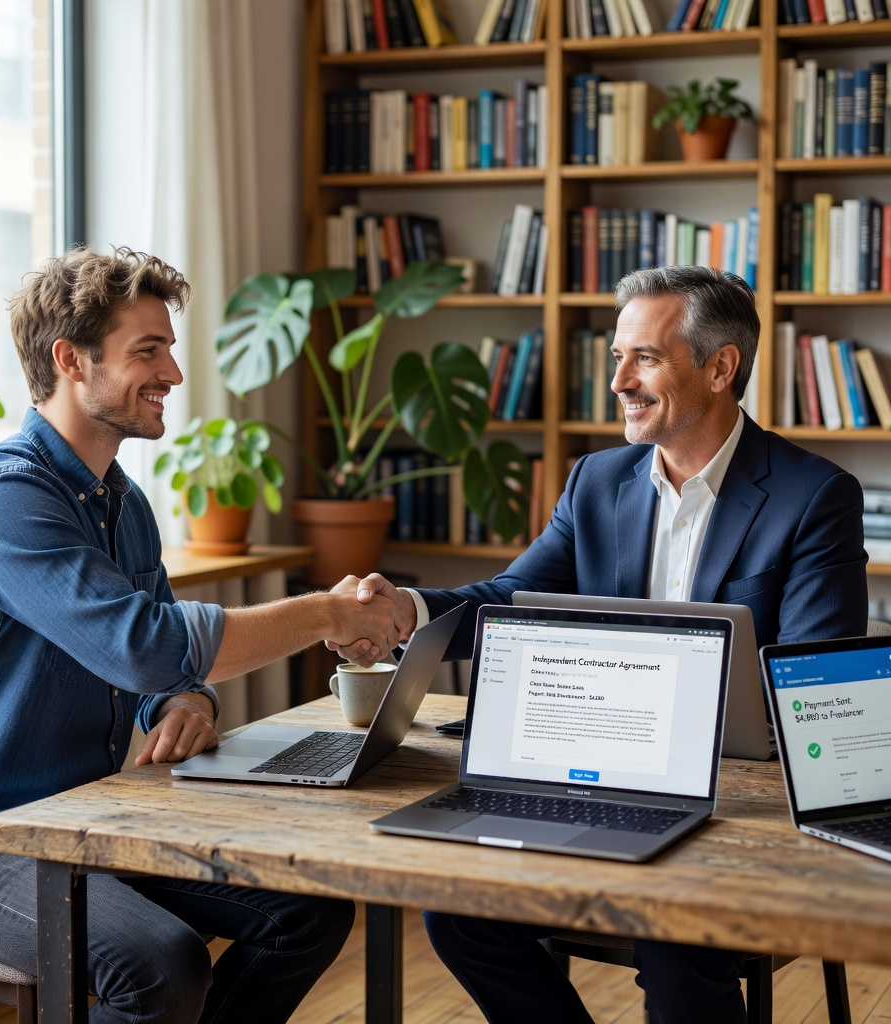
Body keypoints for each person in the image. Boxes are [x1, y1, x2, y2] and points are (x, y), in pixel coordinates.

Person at [0, 246, 410, 1024]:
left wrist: (186, 702)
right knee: (159, 966)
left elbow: (164, 668)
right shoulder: (1, 501)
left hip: (93, 822)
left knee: (308, 912)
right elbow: (144, 643)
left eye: (168, 348)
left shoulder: (121, 502)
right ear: (71, 360)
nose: (171, 372)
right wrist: (327, 614)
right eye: (148, 350)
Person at [338, 265, 868, 1024]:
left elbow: (812, 686)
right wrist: (403, 611)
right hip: (591, 771)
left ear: (721, 367)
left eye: (644, 357)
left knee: (677, 944)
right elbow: (507, 600)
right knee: (457, 914)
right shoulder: (597, 480)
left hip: (726, 803)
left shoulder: (812, 495)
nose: (619, 379)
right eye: (616, 357)